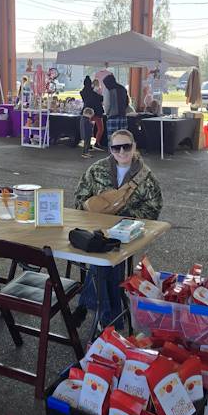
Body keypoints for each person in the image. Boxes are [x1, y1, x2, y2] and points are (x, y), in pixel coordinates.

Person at [73, 129, 163, 327]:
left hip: (127, 233)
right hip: (96, 229)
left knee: (108, 258)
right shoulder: (96, 170)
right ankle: (109, 320)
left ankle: (91, 309)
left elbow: (154, 207)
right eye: (116, 147)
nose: (122, 151)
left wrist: (126, 222)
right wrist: (93, 213)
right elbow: (79, 198)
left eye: (126, 146)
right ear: (110, 149)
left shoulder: (146, 177)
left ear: (134, 147)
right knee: (107, 260)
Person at [80, 75, 105, 150]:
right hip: (97, 111)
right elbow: (101, 98)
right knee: (100, 128)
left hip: (87, 112)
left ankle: (88, 144)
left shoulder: (82, 92)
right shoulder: (93, 92)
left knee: (88, 129)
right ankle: (97, 142)